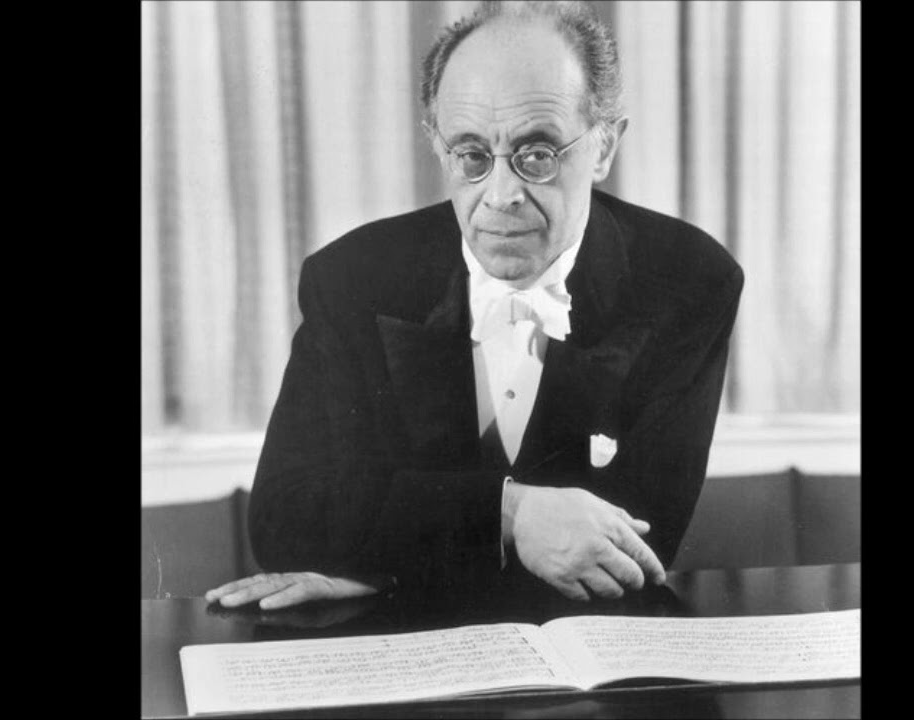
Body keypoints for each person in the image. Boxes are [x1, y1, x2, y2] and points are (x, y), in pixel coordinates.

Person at [207, 0, 743, 611]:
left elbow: (633, 548)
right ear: (438, 147)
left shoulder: (689, 280)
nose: (501, 195)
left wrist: (385, 567)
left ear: (603, 148)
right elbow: (284, 519)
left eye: (538, 154)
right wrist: (511, 513)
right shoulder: (352, 277)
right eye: (471, 155)